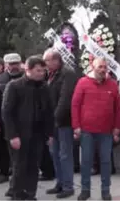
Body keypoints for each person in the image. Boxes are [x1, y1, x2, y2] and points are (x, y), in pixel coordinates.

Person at [2, 56, 55, 201]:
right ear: (28, 70)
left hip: (37, 134)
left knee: (33, 166)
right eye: (38, 70)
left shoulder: (44, 87)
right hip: (19, 134)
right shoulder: (14, 86)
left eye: (43, 71)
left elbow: (49, 112)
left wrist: (50, 133)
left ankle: (30, 194)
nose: (41, 73)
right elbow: (7, 112)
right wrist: (12, 135)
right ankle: (17, 195)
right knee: (19, 166)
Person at [72, 58, 120, 201]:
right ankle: (85, 190)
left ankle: (105, 191)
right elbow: (75, 105)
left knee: (106, 162)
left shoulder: (112, 85)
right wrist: (76, 126)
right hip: (86, 131)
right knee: (86, 162)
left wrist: (117, 127)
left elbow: (118, 108)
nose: (103, 69)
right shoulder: (83, 83)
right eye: (100, 67)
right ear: (92, 67)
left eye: (105, 67)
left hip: (106, 131)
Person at [43, 49, 78, 198]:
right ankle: (60, 183)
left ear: (56, 60)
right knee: (54, 153)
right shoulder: (49, 74)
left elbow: (65, 100)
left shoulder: (67, 74)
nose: (45, 65)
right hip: (52, 122)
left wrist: (55, 120)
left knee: (64, 155)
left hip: (63, 121)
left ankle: (68, 186)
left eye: (47, 61)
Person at [0, 53, 24, 190]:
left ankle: (19, 183)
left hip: (24, 122)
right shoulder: (0, 80)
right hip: (4, 122)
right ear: (5, 65)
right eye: (11, 64)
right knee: (3, 149)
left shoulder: (27, 78)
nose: (14, 66)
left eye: (16, 63)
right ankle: (5, 173)